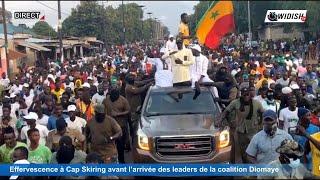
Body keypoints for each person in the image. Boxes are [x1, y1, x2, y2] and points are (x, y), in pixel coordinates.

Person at [221, 87, 264, 163]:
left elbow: (263, 113)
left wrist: (261, 123)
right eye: (244, 95)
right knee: (243, 151)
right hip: (241, 131)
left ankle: (255, 168)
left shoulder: (256, 103)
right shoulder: (236, 102)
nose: (246, 96)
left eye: (247, 94)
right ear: (241, 94)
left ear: (249, 94)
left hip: (253, 130)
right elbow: (226, 111)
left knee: (254, 150)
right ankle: (246, 166)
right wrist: (221, 120)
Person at [104, 86, 130, 163]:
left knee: (120, 145)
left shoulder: (123, 100)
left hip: (120, 126)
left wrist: (118, 114)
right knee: (109, 145)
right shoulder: (106, 100)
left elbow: (128, 110)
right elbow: (103, 110)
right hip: (109, 126)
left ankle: (122, 161)